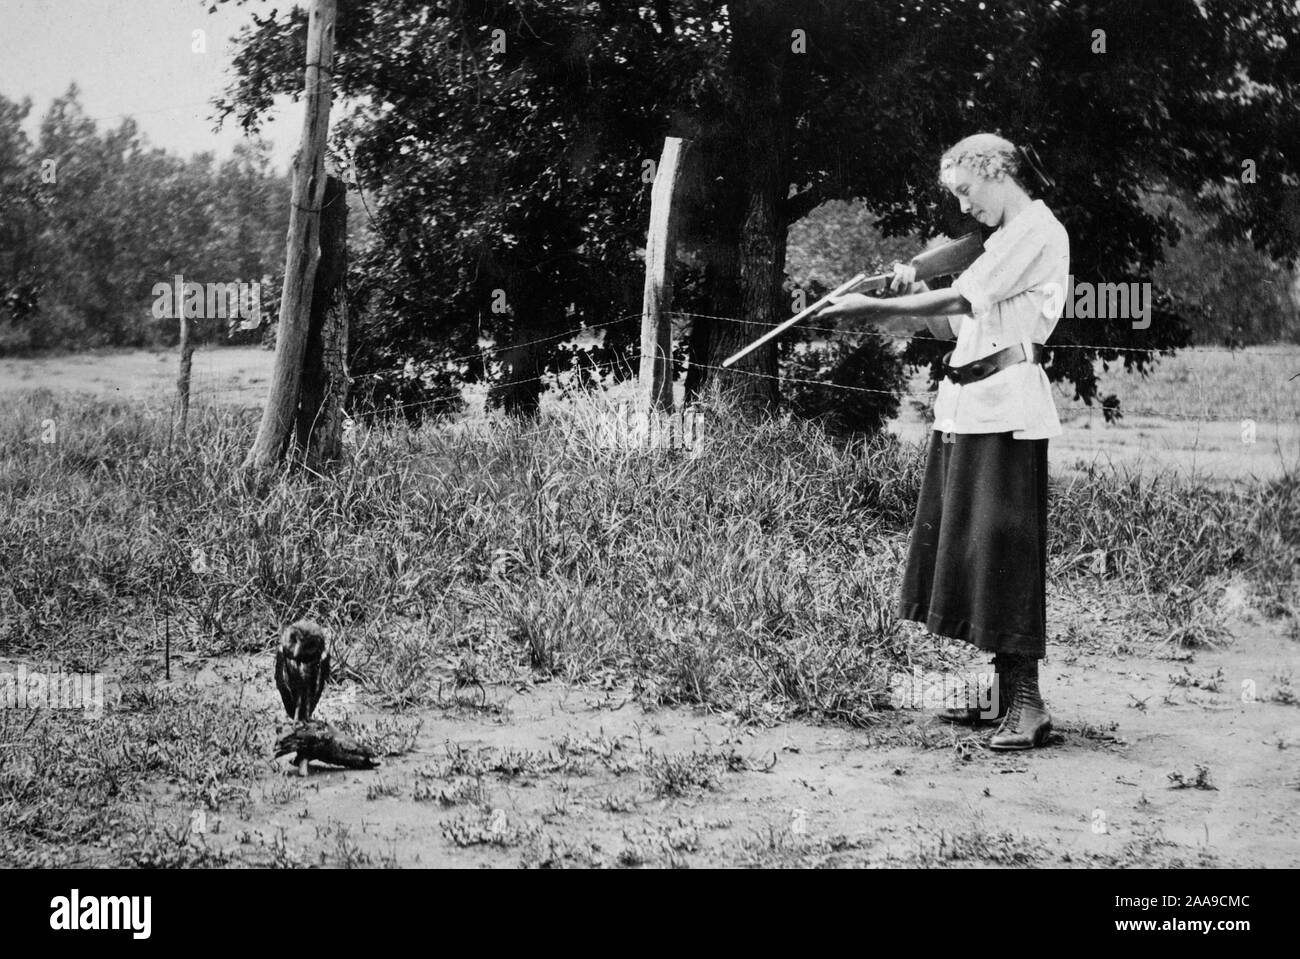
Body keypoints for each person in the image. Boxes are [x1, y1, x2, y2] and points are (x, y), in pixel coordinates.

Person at [820, 133, 1069, 750]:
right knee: (976, 549)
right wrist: (901, 293)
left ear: (998, 171)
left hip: (1008, 410)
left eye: (965, 190)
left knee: (1005, 553)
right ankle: (1002, 696)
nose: (963, 207)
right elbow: (951, 320)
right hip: (969, 406)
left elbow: (960, 295)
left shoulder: (1038, 231)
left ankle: (1028, 704)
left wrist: (862, 311)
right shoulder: (997, 245)